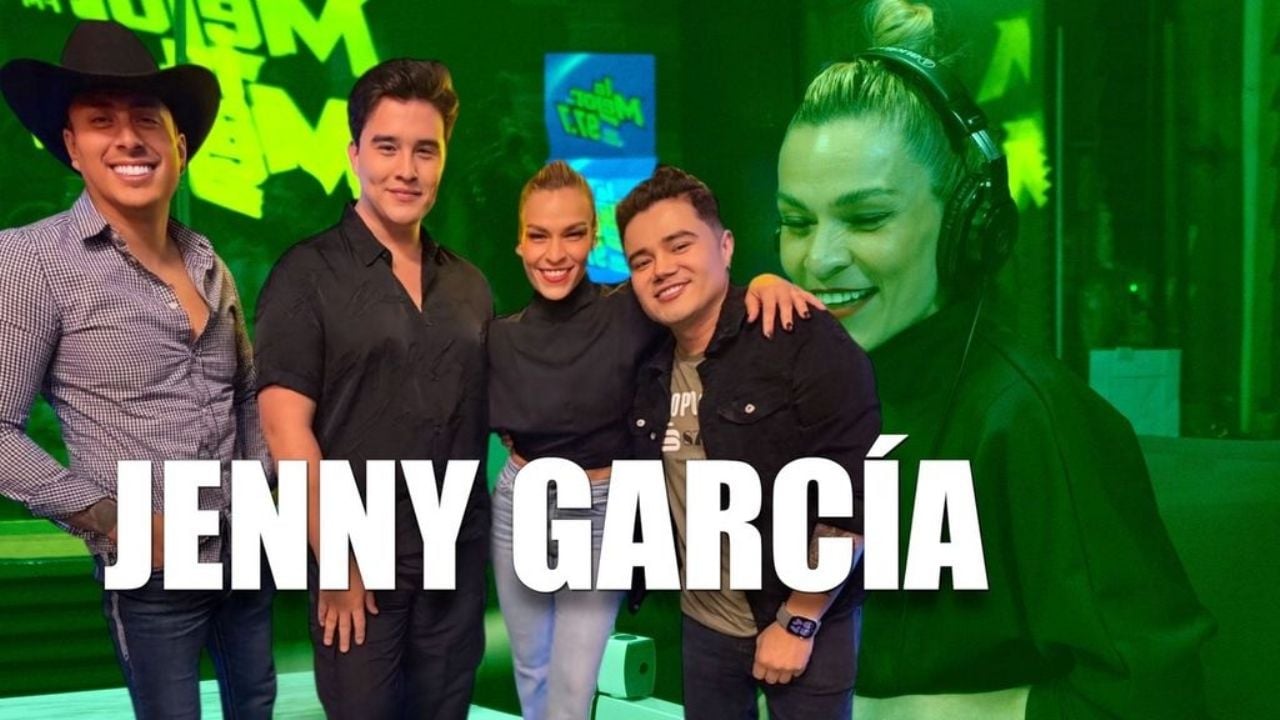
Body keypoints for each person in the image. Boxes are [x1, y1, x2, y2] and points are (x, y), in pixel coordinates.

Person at [774, 1, 1214, 717]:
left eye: (866, 218)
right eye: (796, 221)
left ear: (967, 223)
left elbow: (1154, 697)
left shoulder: (1036, 421)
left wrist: (902, 713)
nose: (817, 258)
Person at [0, 20, 275, 720]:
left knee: (257, 705)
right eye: (102, 120)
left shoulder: (207, 258)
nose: (128, 138)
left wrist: (261, 499)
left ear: (179, 146)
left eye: (146, 119)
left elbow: (246, 394)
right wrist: (114, 521)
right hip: (148, 570)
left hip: (243, 549)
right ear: (72, 145)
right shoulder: (32, 260)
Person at [487, 160, 819, 720]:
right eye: (539, 236)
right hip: (518, 503)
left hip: (602, 513)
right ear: (520, 242)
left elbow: (710, 295)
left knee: (572, 686)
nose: (555, 253)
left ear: (594, 238)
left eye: (572, 233)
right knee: (531, 671)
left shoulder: (630, 311)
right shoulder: (499, 336)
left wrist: (765, 283)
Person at [254, 58, 491, 720]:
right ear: (355, 154)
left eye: (425, 150)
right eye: (387, 147)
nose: (406, 169)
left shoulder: (470, 285)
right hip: (358, 567)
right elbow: (284, 430)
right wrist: (336, 561)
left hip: (453, 564)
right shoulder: (305, 274)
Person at [619, 165, 880, 720]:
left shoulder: (800, 337)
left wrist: (799, 620)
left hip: (802, 620)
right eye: (641, 260)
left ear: (726, 246)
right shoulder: (648, 366)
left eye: (679, 245)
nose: (661, 268)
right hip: (704, 628)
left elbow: (856, 496)